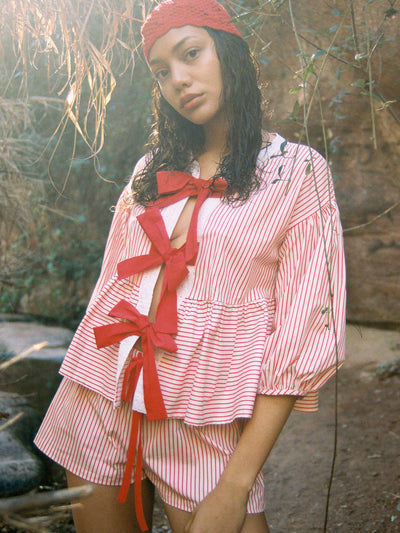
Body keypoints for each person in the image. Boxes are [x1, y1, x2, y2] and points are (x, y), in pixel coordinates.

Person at [34, 0, 346, 532]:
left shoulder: (296, 172)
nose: (178, 79)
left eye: (191, 53)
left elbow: (303, 332)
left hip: (200, 416)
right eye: (161, 71)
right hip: (101, 395)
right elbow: (112, 288)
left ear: (228, 52)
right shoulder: (151, 170)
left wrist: (237, 484)